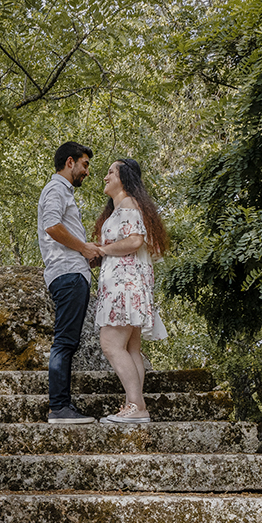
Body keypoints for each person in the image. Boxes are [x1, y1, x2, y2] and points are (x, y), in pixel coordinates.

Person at [92, 158, 169, 423]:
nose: (105, 177)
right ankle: (133, 406)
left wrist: (102, 250)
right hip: (128, 284)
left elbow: (135, 241)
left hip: (123, 286)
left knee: (111, 344)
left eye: (110, 172)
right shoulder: (122, 208)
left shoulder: (127, 204)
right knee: (131, 349)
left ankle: (136, 406)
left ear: (124, 177)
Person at [38, 141, 103, 424]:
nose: (87, 172)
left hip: (72, 270)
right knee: (65, 341)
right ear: (70, 162)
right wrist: (84, 248)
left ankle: (62, 406)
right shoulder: (56, 189)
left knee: (68, 341)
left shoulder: (62, 192)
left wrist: (86, 252)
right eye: (85, 164)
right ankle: (59, 407)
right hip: (67, 274)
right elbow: (51, 226)